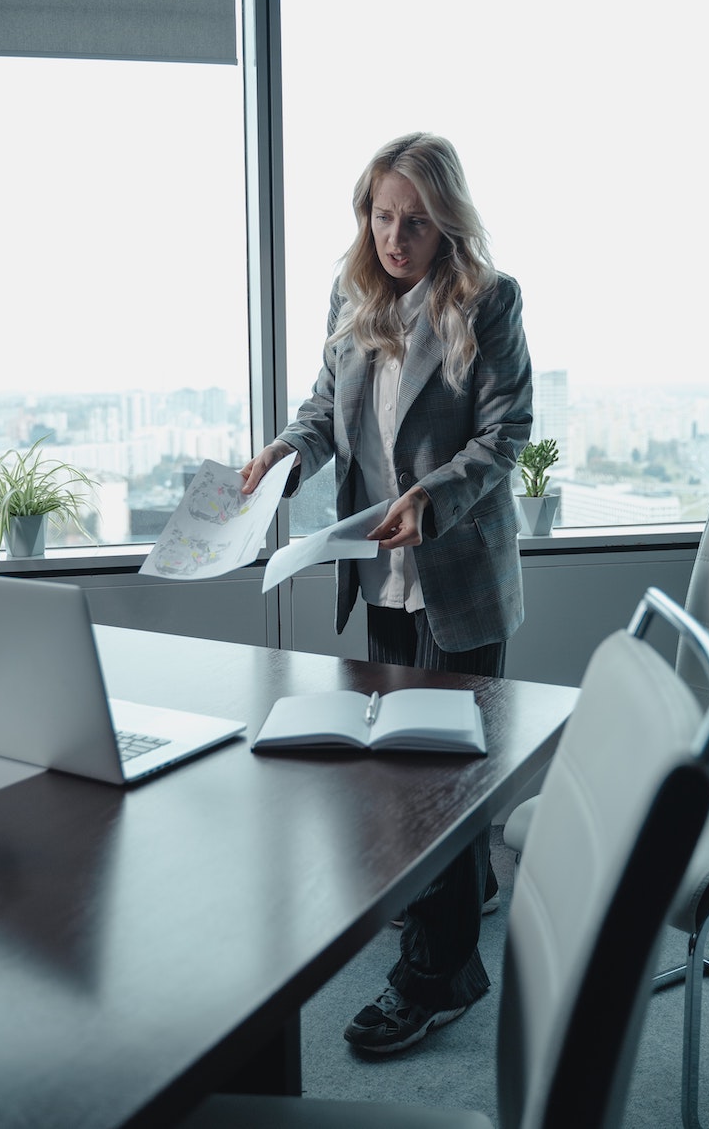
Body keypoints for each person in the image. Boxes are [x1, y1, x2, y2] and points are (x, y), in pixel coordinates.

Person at [241, 132, 532, 1054]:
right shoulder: (353, 295)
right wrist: (286, 456)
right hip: (378, 574)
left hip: (455, 572)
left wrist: (429, 497)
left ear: (445, 224)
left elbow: (505, 432)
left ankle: (442, 973)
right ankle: (458, 899)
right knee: (398, 771)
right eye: (381, 215)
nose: (395, 235)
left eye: (414, 220)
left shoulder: (487, 302)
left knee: (436, 781)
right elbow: (326, 413)